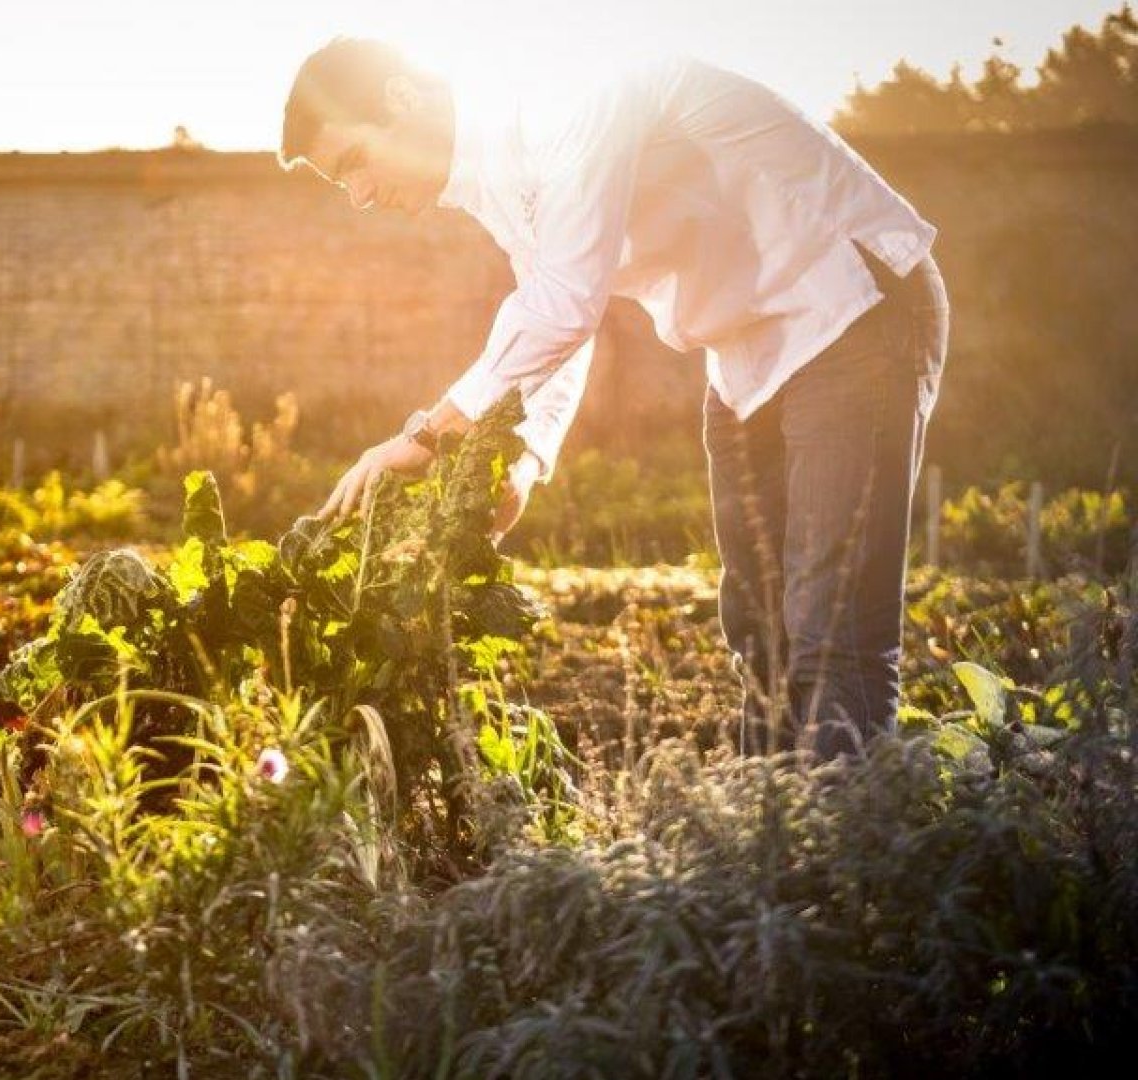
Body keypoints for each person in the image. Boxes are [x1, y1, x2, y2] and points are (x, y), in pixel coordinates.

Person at [280, 39, 950, 762]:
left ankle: (855, 827)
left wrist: (425, 435)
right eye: (341, 182)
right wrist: (524, 460)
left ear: (402, 98)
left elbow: (565, 304)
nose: (360, 195)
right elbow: (566, 313)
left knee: (832, 634)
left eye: (354, 161)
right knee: (762, 637)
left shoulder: (556, 94)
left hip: (849, 302)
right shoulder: (496, 174)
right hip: (746, 352)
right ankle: (779, 828)